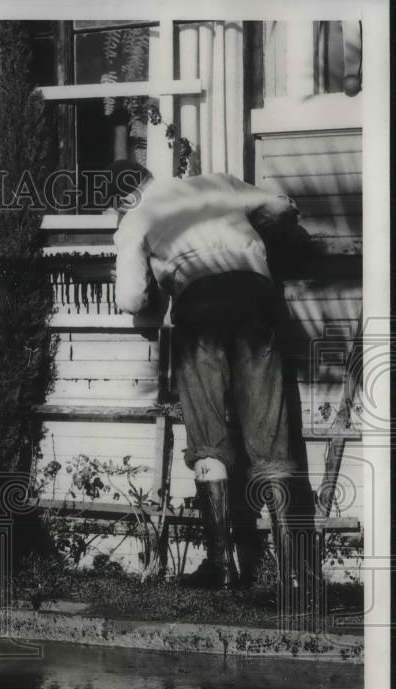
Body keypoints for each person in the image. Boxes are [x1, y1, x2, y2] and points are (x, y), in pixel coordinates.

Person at [109, 160, 302, 589]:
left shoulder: (136, 217)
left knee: (208, 435)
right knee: (269, 431)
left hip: (200, 307)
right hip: (256, 297)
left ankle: (224, 568)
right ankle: (292, 575)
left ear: (123, 197)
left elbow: (132, 298)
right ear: (149, 175)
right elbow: (281, 208)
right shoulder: (215, 182)